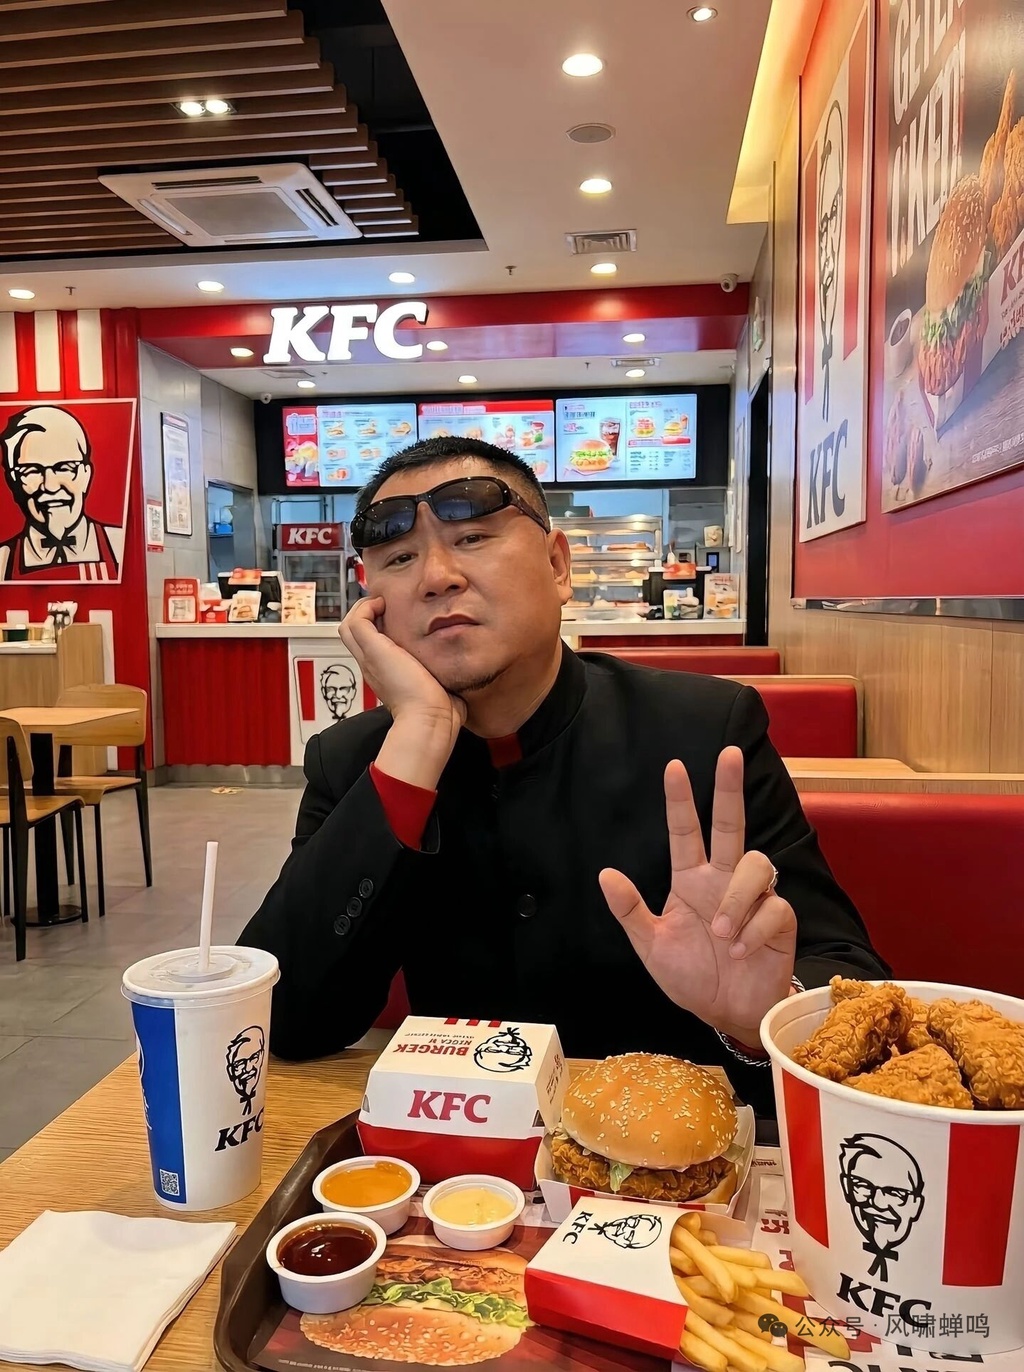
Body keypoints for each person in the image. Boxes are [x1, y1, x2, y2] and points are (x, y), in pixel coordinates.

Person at [244, 438, 886, 1113]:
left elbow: (849, 976)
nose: (436, 576)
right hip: (457, 1155)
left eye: (472, 538)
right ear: (370, 604)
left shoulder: (706, 733)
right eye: (400, 559)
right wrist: (419, 739)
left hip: (675, 1150)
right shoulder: (358, 762)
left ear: (557, 565)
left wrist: (761, 1021)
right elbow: (286, 1023)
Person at [0, 405, 123, 580]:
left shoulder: (121, 547)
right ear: (13, 481)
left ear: (86, 475)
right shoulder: (2, 561)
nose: (50, 486)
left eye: (65, 468)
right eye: (32, 470)